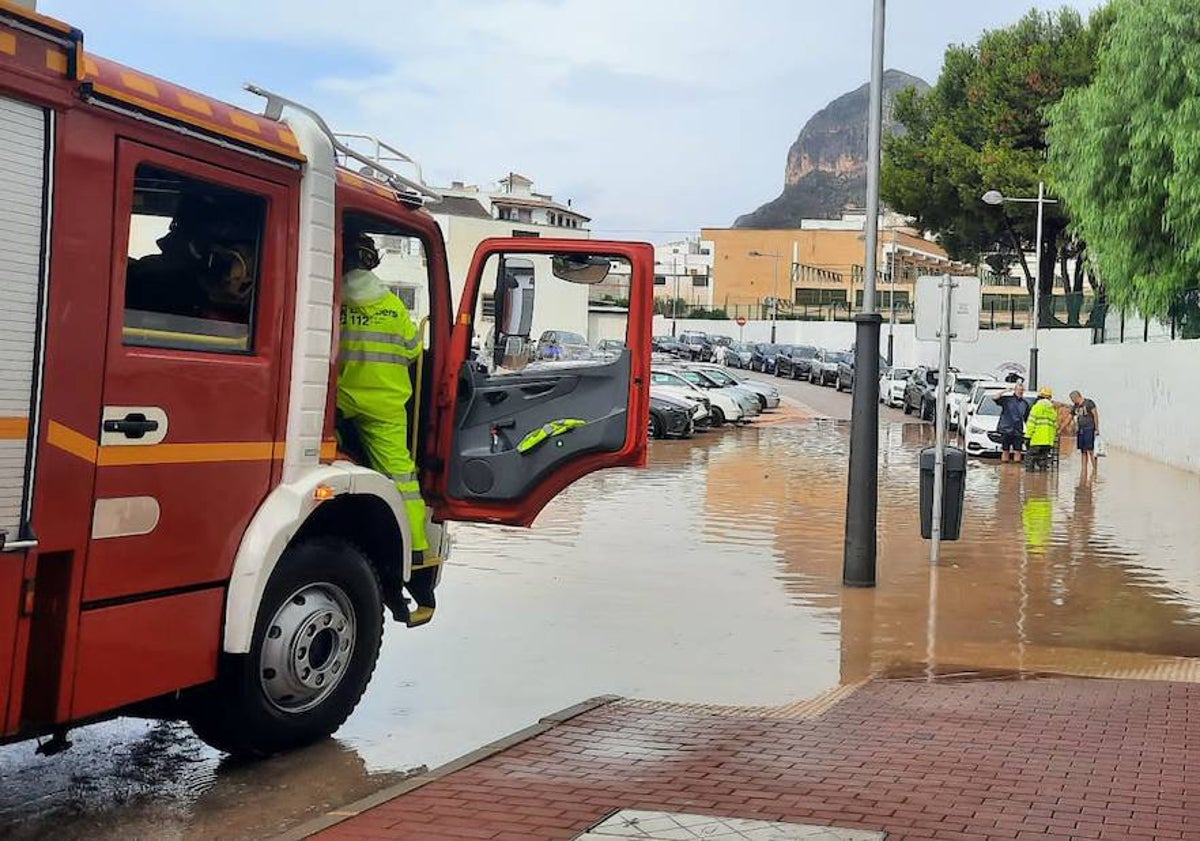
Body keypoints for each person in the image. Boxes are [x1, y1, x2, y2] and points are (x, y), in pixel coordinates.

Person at [337, 231, 433, 625]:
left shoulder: (332, 299)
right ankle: (416, 558)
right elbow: (412, 351)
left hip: (338, 401)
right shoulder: (393, 306)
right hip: (387, 407)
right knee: (403, 480)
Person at [1024, 386, 1060, 471]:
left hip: (1036, 440)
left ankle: (1029, 481)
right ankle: (1043, 481)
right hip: (1048, 441)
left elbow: (1031, 423)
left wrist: (1027, 437)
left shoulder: (1037, 407)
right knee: (1043, 461)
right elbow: (1055, 426)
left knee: (1030, 461)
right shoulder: (1052, 410)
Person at [995, 382, 1030, 464]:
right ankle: (1004, 470)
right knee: (1005, 451)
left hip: (1018, 431)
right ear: (1015, 390)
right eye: (1019, 390)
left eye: (1022, 390)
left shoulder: (1025, 403)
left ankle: (1016, 472)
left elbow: (1027, 419)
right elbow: (995, 397)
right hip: (1006, 430)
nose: (1020, 392)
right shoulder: (1007, 400)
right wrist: (1005, 391)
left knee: (1018, 451)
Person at [1069, 390, 1100, 472]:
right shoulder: (1075, 407)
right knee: (1083, 450)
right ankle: (1084, 469)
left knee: (1090, 450)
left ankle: (1095, 469)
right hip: (1080, 430)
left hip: (1089, 429)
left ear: (1077, 397)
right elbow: (1070, 417)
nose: (1073, 402)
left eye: (1073, 400)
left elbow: (1095, 415)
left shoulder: (1089, 403)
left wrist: (1097, 429)